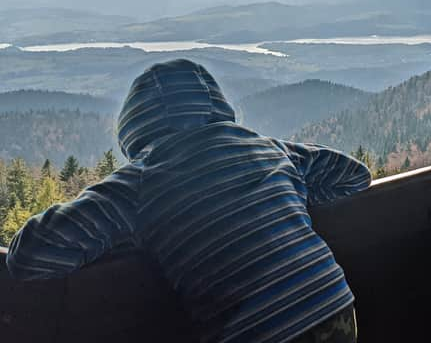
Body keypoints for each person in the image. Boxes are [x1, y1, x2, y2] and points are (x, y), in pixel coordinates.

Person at [6, 59, 371, 343]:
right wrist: (289, 194)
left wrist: (121, 231)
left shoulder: (139, 182)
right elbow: (355, 175)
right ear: (216, 105)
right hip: (334, 306)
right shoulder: (271, 150)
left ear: (134, 131)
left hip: (254, 332)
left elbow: (28, 256)